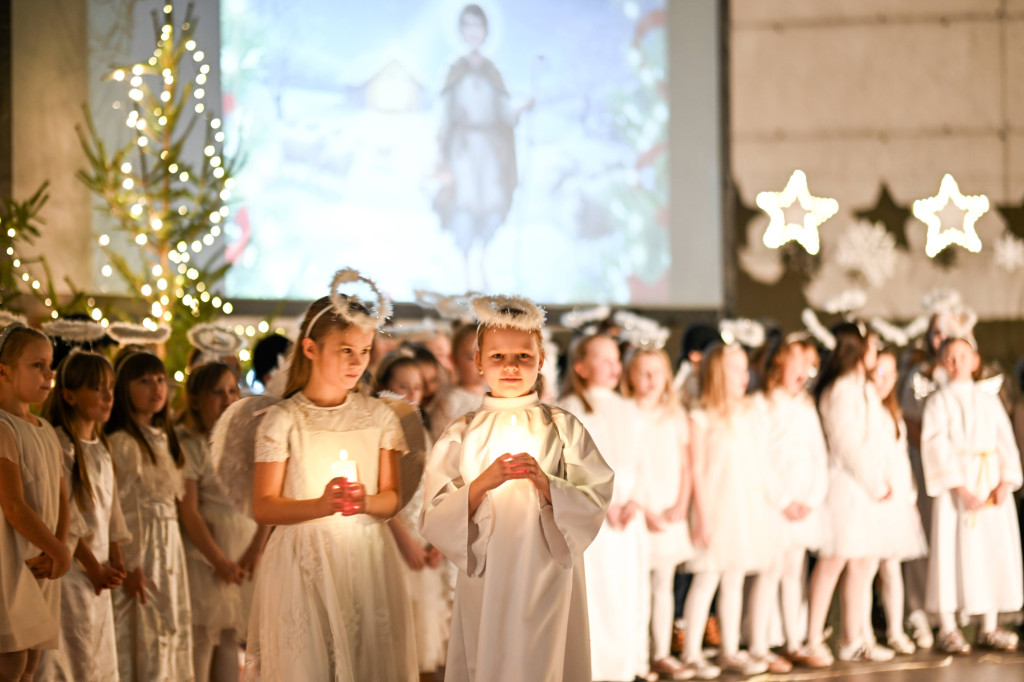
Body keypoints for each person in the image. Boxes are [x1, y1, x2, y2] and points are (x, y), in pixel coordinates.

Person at [421, 296, 613, 682]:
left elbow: (596, 491)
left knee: (546, 657)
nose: (510, 366)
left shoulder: (561, 426)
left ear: (541, 360)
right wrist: (481, 485)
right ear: (478, 361)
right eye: (497, 357)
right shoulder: (464, 431)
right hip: (489, 569)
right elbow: (435, 510)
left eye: (523, 357)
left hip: (547, 567)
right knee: (490, 653)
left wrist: (547, 484)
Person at [247, 280, 417, 681]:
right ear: (310, 348)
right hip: (301, 561)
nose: (357, 362)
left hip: (365, 558)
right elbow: (264, 505)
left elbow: (391, 498)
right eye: (345, 351)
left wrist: (365, 501)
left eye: (363, 352)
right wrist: (320, 505)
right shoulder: (283, 420)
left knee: (365, 661)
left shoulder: (380, 417)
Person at [795, 323, 895, 666]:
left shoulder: (863, 388)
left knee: (864, 562)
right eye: (870, 344)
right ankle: (811, 637)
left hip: (868, 486)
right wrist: (873, 481)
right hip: (847, 486)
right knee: (834, 559)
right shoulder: (839, 390)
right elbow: (847, 443)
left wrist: (882, 478)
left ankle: (854, 637)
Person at [921, 337, 1023, 654]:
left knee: (991, 549)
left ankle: (989, 625)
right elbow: (935, 445)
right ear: (942, 363)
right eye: (949, 358)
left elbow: (1005, 440)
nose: (956, 363)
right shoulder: (938, 401)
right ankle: (949, 626)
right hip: (958, 489)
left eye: (962, 356)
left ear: (974, 361)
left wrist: (1005, 481)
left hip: (989, 481)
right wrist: (961, 489)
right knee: (952, 551)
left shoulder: (988, 400)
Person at [559, 333, 650, 682]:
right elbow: (568, 466)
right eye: (604, 359)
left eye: (617, 359)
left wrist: (635, 499)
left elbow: (642, 462)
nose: (615, 367)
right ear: (581, 367)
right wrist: (602, 502)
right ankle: (595, 668)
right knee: (598, 595)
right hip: (593, 519)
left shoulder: (629, 408)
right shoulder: (570, 408)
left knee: (628, 592)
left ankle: (625, 667)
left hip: (627, 518)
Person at [682, 343, 774, 678]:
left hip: (743, 508)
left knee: (734, 577)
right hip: (715, 509)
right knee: (708, 577)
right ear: (717, 373)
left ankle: (730, 650)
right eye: (734, 369)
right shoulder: (701, 416)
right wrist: (703, 516)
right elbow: (698, 469)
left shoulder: (750, 410)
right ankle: (691, 652)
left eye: (745, 368)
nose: (743, 375)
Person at [39, 351, 129, 682]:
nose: (108, 397)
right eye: (96, 388)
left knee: (97, 654)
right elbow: (67, 516)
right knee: (71, 654)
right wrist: (93, 567)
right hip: (74, 572)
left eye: (110, 387)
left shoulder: (102, 448)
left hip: (99, 572)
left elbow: (112, 511)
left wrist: (116, 558)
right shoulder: (61, 445)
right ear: (69, 394)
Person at [177, 361, 268, 682]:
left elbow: (265, 502)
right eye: (217, 392)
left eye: (232, 390)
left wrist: (255, 550)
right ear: (195, 399)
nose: (227, 399)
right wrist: (219, 560)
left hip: (245, 551)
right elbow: (189, 510)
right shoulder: (190, 445)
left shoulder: (247, 441)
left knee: (232, 638)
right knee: (203, 639)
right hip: (208, 556)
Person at [106, 350, 194, 681]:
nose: (156, 388)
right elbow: (123, 507)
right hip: (144, 547)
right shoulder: (123, 443)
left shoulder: (164, 439)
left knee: (171, 628)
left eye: (160, 379)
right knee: (146, 630)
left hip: (169, 546)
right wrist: (130, 563)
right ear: (124, 389)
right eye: (144, 381)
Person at [435, 4, 533, 287]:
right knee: (463, 207)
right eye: (467, 25)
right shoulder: (455, 70)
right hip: (462, 153)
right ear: (461, 31)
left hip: (490, 153)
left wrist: (521, 108)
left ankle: (485, 263)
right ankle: (465, 275)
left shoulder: (493, 71)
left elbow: (505, 113)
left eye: (477, 26)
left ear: (486, 31)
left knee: (491, 205)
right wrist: (440, 154)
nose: (472, 31)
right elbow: (444, 116)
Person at [748, 335, 826, 672]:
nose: (802, 372)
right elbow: (759, 458)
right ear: (778, 365)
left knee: (795, 571)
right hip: (774, 505)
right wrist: (782, 500)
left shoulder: (806, 406)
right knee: (770, 570)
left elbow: (818, 454)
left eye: (805, 366)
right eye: (795, 364)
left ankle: (794, 641)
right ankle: (758, 644)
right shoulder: (761, 405)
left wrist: (811, 497)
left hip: (803, 504)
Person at [0, 324, 70, 682]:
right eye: (37, 365)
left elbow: (61, 498)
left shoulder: (45, 430)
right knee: (10, 659)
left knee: (30, 662)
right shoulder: (3, 427)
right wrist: (59, 549)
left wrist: (58, 549)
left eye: (50, 366)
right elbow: (13, 505)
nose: (48, 374)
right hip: (11, 557)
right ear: (4, 370)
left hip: (42, 559)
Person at [621, 347, 694, 681]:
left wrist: (682, 502)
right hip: (639, 511)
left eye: (657, 373)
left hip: (670, 509)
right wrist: (646, 510)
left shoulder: (674, 415)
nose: (651, 380)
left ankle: (662, 651)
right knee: (635, 588)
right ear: (630, 376)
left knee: (665, 584)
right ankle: (637, 657)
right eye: (643, 373)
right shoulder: (626, 413)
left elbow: (685, 464)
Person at [377, 353, 451, 680]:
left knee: (423, 639)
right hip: (393, 540)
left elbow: (437, 490)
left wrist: (438, 540)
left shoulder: (424, 431)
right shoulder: (378, 433)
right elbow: (377, 494)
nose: (411, 395)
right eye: (402, 387)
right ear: (384, 388)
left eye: (417, 387)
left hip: (423, 538)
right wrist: (404, 541)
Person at [868, 347, 928, 655]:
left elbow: (901, 460)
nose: (885, 381)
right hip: (870, 498)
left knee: (892, 567)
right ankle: (863, 632)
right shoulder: (864, 410)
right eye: (879, 373)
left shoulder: (893, 412)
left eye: (891, 375)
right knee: (865, 570)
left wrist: (910, 497)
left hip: (895, 501)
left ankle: (894, 629)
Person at [428, 324, 486, 441]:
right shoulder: (451, 401)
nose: (481, 364)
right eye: (471, 358)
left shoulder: (494, 394)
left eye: (488, 356)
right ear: (453, 359)